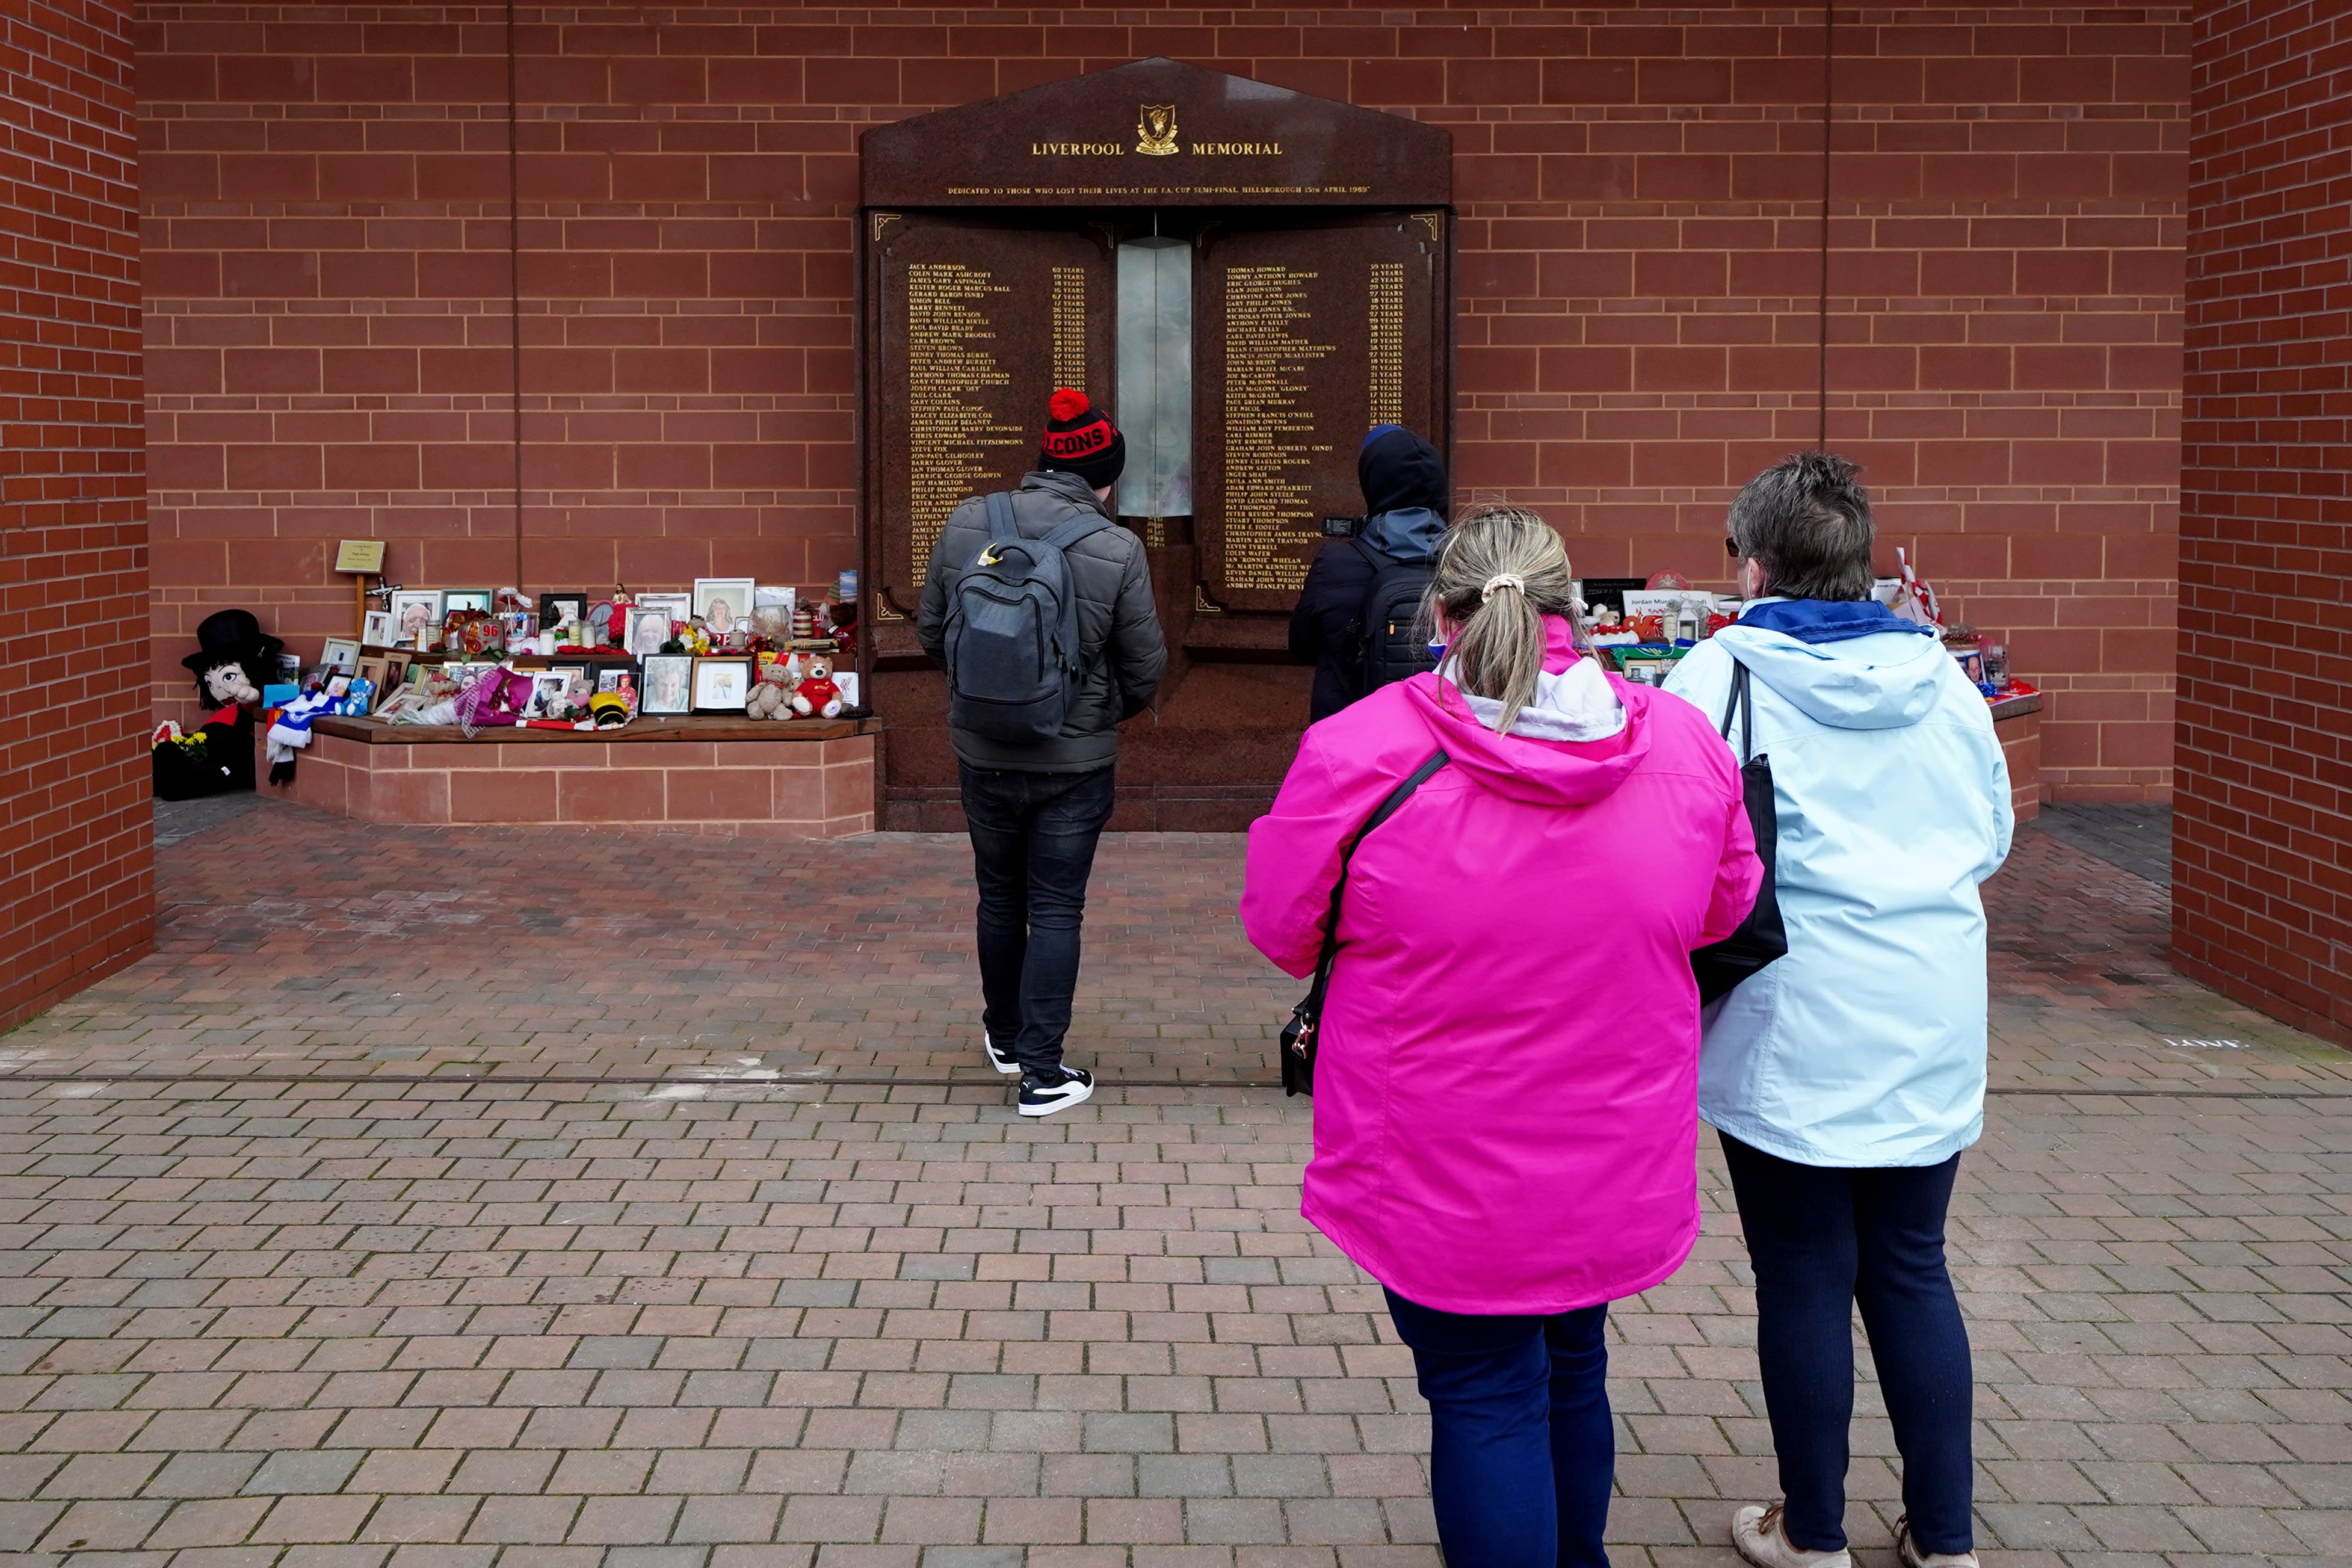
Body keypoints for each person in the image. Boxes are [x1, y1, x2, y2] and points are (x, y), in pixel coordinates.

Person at [1242, 506, 1762, 1568]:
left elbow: (1283, 928)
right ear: (1578, 612)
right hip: (1610, 1146)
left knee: (1483, 1396)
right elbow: (1722, 910)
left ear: (1438, 617)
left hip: (1436, 1157)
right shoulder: (1682, 744)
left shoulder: (1360, 751)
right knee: (1571, 1366)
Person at [1661, 453, 2012, 1568]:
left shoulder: (1717, 674)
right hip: (1925, 1005)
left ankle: (1811, 1534)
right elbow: (1989, 836)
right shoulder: (1945, 683)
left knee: (1803, 1273)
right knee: (1910, 1263)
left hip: (1791, 1012)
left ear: (1755, 565)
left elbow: (1671, 840)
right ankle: (1943, 1537)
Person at [917, 387, 1167, 1116]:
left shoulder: (968, 521)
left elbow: (934, 631)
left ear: (1042, 461)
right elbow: (1145, 666)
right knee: (1057, 906)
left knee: (999, 895)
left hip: (982, 750)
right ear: (1105, 477)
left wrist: (990, 696)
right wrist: (1088, 715)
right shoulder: (1118, 548)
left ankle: (1004, 1035)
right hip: (1073, 764)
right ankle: (1042, 1071)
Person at [1288, 424, 1449, 722]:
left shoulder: (1335, 562)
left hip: (1349, 733)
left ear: (1373, 483)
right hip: (1437, 742)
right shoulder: (1467, 563)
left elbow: (1301, 644)